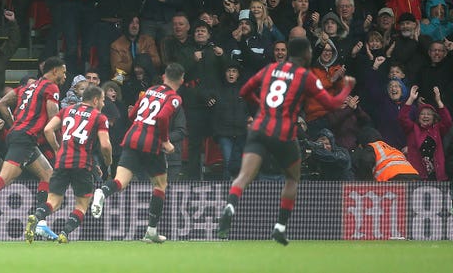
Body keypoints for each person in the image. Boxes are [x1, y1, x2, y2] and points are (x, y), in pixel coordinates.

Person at [216, 37, 355, 245]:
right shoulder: (304, 76)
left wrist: (261, 107)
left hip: (259, 128)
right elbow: (332, 103)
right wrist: (346, 88)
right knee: (292, 178)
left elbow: (244, 91)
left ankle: (230, 206)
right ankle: (280, 227)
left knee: (244, 175)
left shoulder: (270, 69)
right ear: (306, 54)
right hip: (284, 132)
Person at [0, 57, 67, 238]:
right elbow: (53, 119)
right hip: (25, 138)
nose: (64, 77)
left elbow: (1, 103)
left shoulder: (26, 87)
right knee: (5, 177)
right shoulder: (51, 88)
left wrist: (14, 124)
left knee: (48, 174)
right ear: (55, 71)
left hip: (22, 137)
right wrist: (59, 145)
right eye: (63, 72)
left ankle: (41, 223)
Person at [91, 63, 184, 243]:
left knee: (120, 181)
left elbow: (133, 114)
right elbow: (163, 117)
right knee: (160, 186)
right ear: (181, 79)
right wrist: (165, 141)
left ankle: (102, 191)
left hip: (133, 137)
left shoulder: (150, 90)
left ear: (164, 76)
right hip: (151, 143)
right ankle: (151, 230)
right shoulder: (174, 98)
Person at [25, 85, 112, 243]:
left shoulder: (67, 110)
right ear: (95, 100)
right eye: (103, 100)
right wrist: (108, 161)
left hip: (62, 161)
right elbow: (105, 145)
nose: (104, 104)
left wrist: (58, 149)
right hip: (82, 164)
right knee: (82, 205)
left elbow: (48, 129)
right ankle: (64, 233)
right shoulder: (99, 117)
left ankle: (36, 216)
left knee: (53, 202)